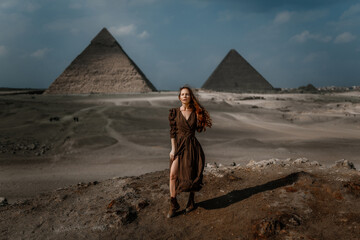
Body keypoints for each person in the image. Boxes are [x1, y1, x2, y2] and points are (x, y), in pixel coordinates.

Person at [167, 86, 212, 218]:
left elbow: (199, 129)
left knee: (192, 174)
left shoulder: (196, 112)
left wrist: (201, 116)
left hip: (192, 146)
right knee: (172, 175)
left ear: (190, 96)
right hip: (179, 146)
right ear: (179, 97)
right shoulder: (174, 113)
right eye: (182, 94)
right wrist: (173, 149)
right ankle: (173, 203)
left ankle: (191, 201)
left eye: (187, 94)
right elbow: (172, 133)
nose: (185, 96)